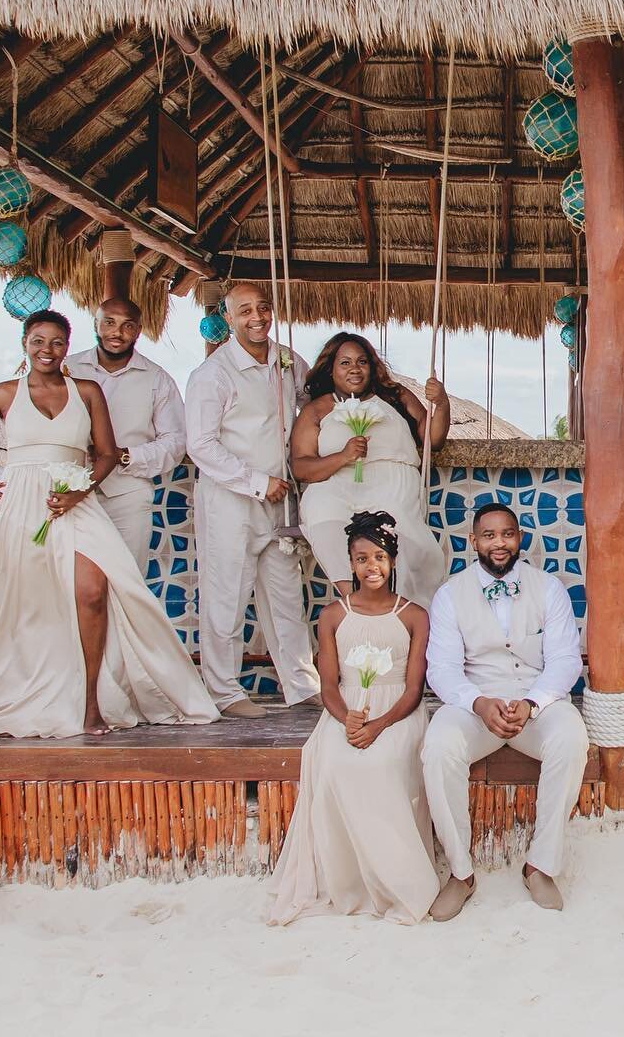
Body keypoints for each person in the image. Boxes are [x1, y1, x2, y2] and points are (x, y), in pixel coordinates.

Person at [0, 310, 216, 738]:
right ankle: (27, 689)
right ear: (24, 343)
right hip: (20, 504)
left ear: (67, 346)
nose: (46, 350)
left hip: (76, 500)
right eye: (38, 341)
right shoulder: (3, 393)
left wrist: (81, 489)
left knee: (94, 590)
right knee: (26, 601)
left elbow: (106, 453)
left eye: (55, 342)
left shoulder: (86, 391)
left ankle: (92, 703)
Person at [269, 511, 439, 926]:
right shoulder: (334, 615)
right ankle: (349, 882)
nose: (372, 566)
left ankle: (397, 881)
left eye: (379, 557)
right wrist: (348, 720)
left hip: (398, 712)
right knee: (335, 766)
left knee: (381, 765)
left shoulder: (414, 615)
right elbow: (329, 686)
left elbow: (415, 690)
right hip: (346, 709)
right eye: (362, 558)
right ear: (351, 563)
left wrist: (378, 725)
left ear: (392, 561)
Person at [422, 502, 588, 919]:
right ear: (473, 541)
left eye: (508, 534)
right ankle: (461, 874)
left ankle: (540, 865)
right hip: (475, 703)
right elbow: (441, 668)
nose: (500, 543)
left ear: (519, 538)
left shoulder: (548, 588)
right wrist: (477, 702)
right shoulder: (449, 595)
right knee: (439, 744)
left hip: (535, 700)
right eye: (490, 535)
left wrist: (534, 703)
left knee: (571, 738)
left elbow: (566, 660)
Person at [185, 282, 321, 718]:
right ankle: (225, 692)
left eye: (263, 307)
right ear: (229, 318)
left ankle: (302, 685)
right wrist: (259, 482)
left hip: (280, 501)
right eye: (245, 311)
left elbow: (311, 406)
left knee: (285, 597)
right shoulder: (213, 374)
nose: (257, 317)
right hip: (231, 501)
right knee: (226, 597)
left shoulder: (288, 361)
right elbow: (201, 446)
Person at [292, 331, 450, 603]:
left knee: (393, 535)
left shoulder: (394, 396)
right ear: (330, 370)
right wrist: (342, 457)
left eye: (362, 362)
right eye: (345, 362)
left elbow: (432, 441)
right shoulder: (317, 410)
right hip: (336, 484)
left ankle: (396, 607)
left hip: (392, 484)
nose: (354, 368)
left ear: (371, 367)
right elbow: (301, 466)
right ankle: (358, 600)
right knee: (324, 518)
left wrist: (442, 404)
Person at [67, 297, 187, 578]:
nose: (117, 333)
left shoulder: (157, 379)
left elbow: (176, 441)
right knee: (71, 580)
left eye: (127, 326)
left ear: (139, 330)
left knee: (127, 581)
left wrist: (124, 455)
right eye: (109, 322)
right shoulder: (68, 370)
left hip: (128, 493)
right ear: (96, 324)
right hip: (70, 490)